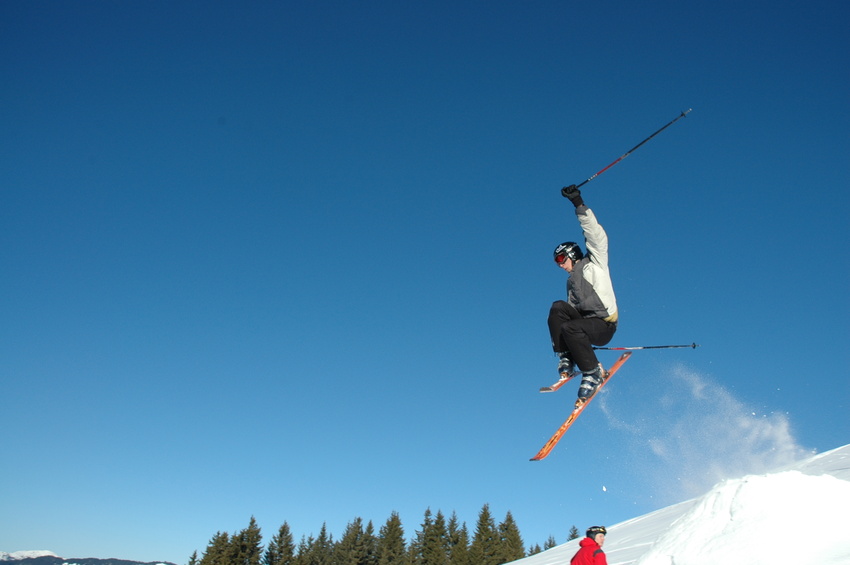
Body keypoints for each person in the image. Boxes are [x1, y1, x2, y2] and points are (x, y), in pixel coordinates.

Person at [548, 185, 618, 408]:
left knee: (572, 328)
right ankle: (566, 356)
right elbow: (570, 316)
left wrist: (577, 202)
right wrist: (575, 345)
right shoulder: (571, 282)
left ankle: (592, 372)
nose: (560, 266)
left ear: (571, 254)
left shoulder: (595, 263)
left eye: (561, 260)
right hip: (586, 326)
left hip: (604, 324)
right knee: (558, 308)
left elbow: (594, 233)